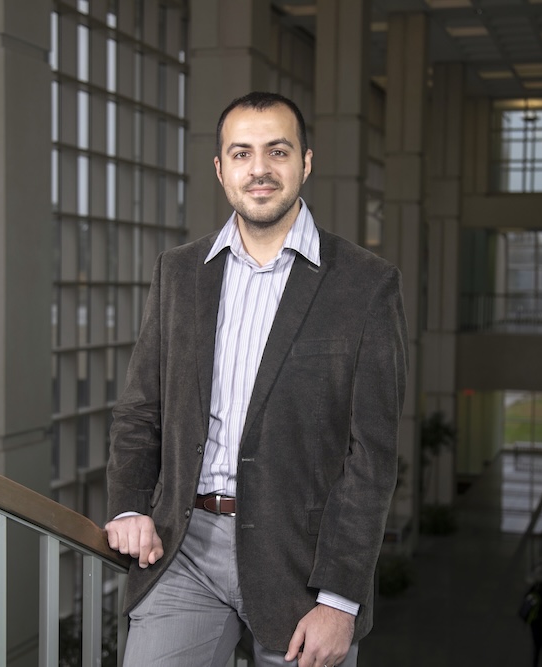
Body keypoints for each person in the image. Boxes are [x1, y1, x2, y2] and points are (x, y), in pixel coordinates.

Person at [104, 91, 408, 667]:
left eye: (277, 151)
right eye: (241, 154)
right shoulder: (179, 273)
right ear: (220, 169)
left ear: (305, 162)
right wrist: (129, 508)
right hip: (181, 550)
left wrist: (340, 601)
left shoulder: (366, 286)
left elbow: (372, 456)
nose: (259, 169)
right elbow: (142, 409)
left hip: (302, 566)